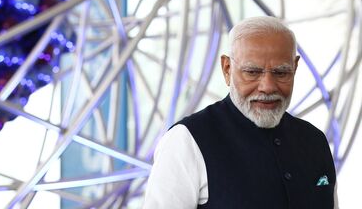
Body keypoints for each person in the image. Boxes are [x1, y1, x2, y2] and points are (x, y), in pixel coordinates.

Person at [142, 16, 338, 208]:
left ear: (295, 68)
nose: (268, 87)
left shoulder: (315, 141)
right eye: (252, 72)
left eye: (281, 73)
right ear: (227, 69)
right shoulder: (186, 141)